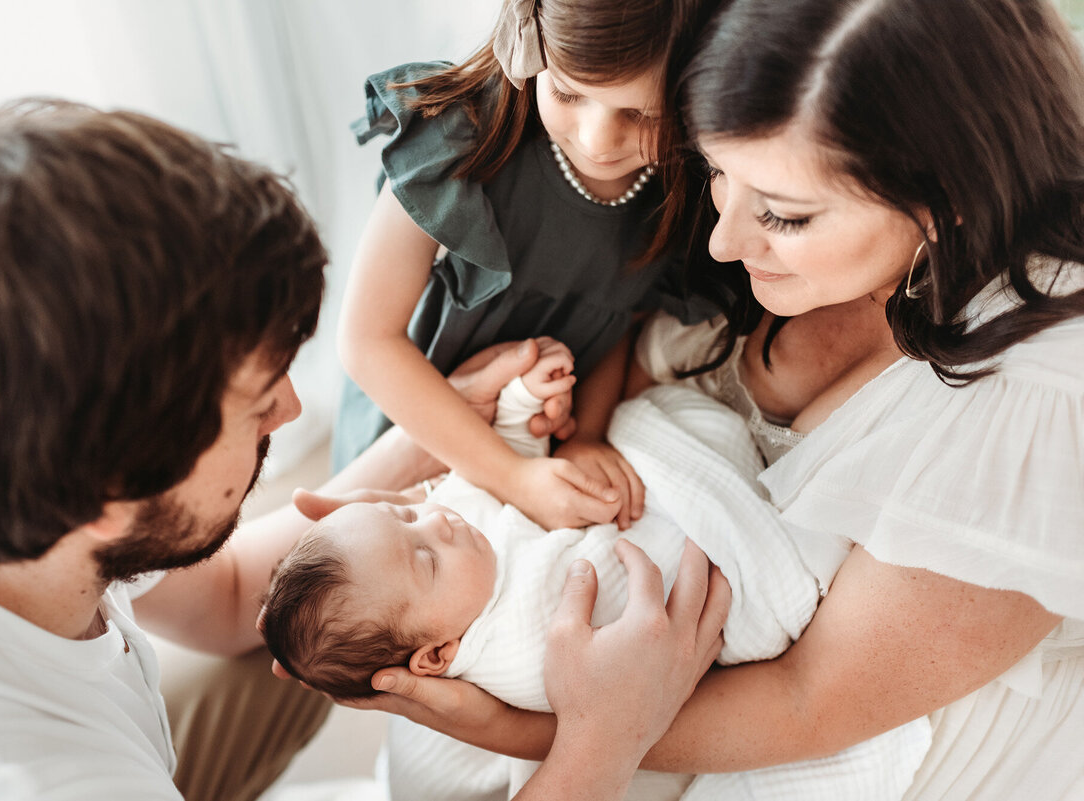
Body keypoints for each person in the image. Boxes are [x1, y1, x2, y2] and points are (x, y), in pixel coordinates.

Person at [329, 0, 1084, 798]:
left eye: (783, 216)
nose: (722, 239)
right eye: (717, 171)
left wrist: (522, 726)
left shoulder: (1041, 406)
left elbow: (808, 699)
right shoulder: (745, 184)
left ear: (947, 198)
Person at [0, 99, 727, 801]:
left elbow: (226, 598)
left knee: (316, 635)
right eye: (258, 402)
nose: (291, 409)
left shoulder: (16, 473)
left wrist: (438, 433)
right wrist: (605, 736)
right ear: (109, 490)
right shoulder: (17, 775)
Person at [263, 343, 929, 800]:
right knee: (742, 569)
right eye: (423, 555)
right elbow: (617, 653)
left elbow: (503, 473)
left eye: (405, 519)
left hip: (612, 513)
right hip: (650, 619)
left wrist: (527, 404)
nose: (434, 521)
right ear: (438, 654)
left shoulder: (451, 533)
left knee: (659, 439)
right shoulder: (514, 650)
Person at [334, 0, 724, 531]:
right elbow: (366, 341)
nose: (597, 140)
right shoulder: (456, 135)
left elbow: (619, 324)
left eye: (643, 114)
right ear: (533, 49)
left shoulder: (679, 197)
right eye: (567, 92)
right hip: (412, 429)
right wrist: (512, 477)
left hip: (535, 444)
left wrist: (586, 435)